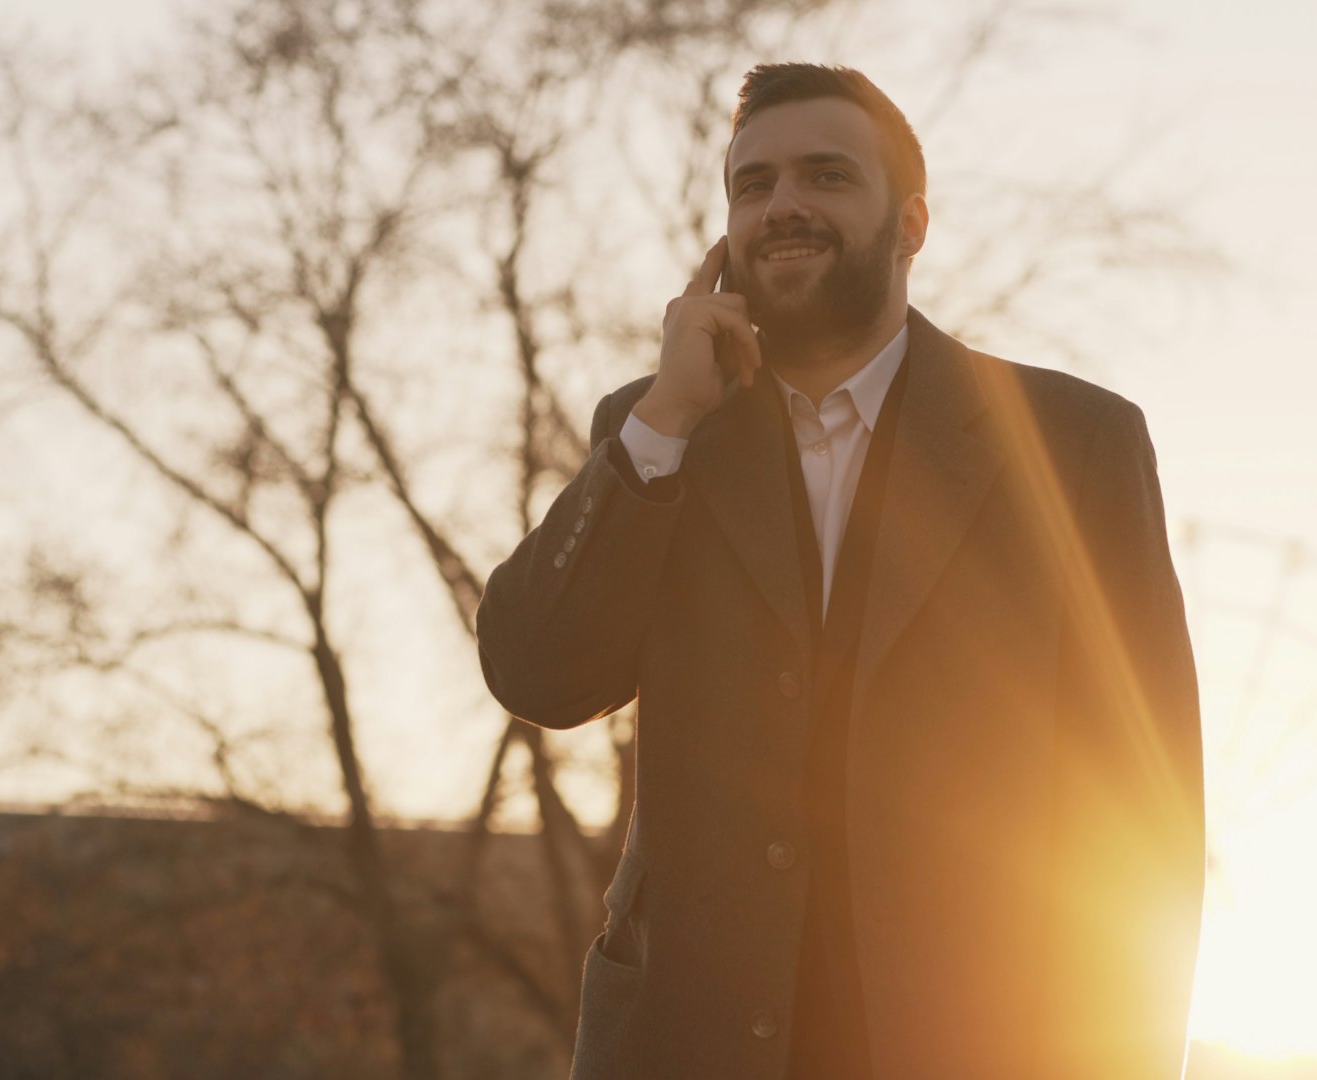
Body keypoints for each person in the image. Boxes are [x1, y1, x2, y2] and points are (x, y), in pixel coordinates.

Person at [474, 62, 1204, 1080]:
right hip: (684, 1046)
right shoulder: (657, 434)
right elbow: (536, 672)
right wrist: (664, 424)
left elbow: (1144, 808)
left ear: (911, 225)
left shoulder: (1073, 444)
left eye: (825, 176)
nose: (783, 207)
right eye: (753, 184)